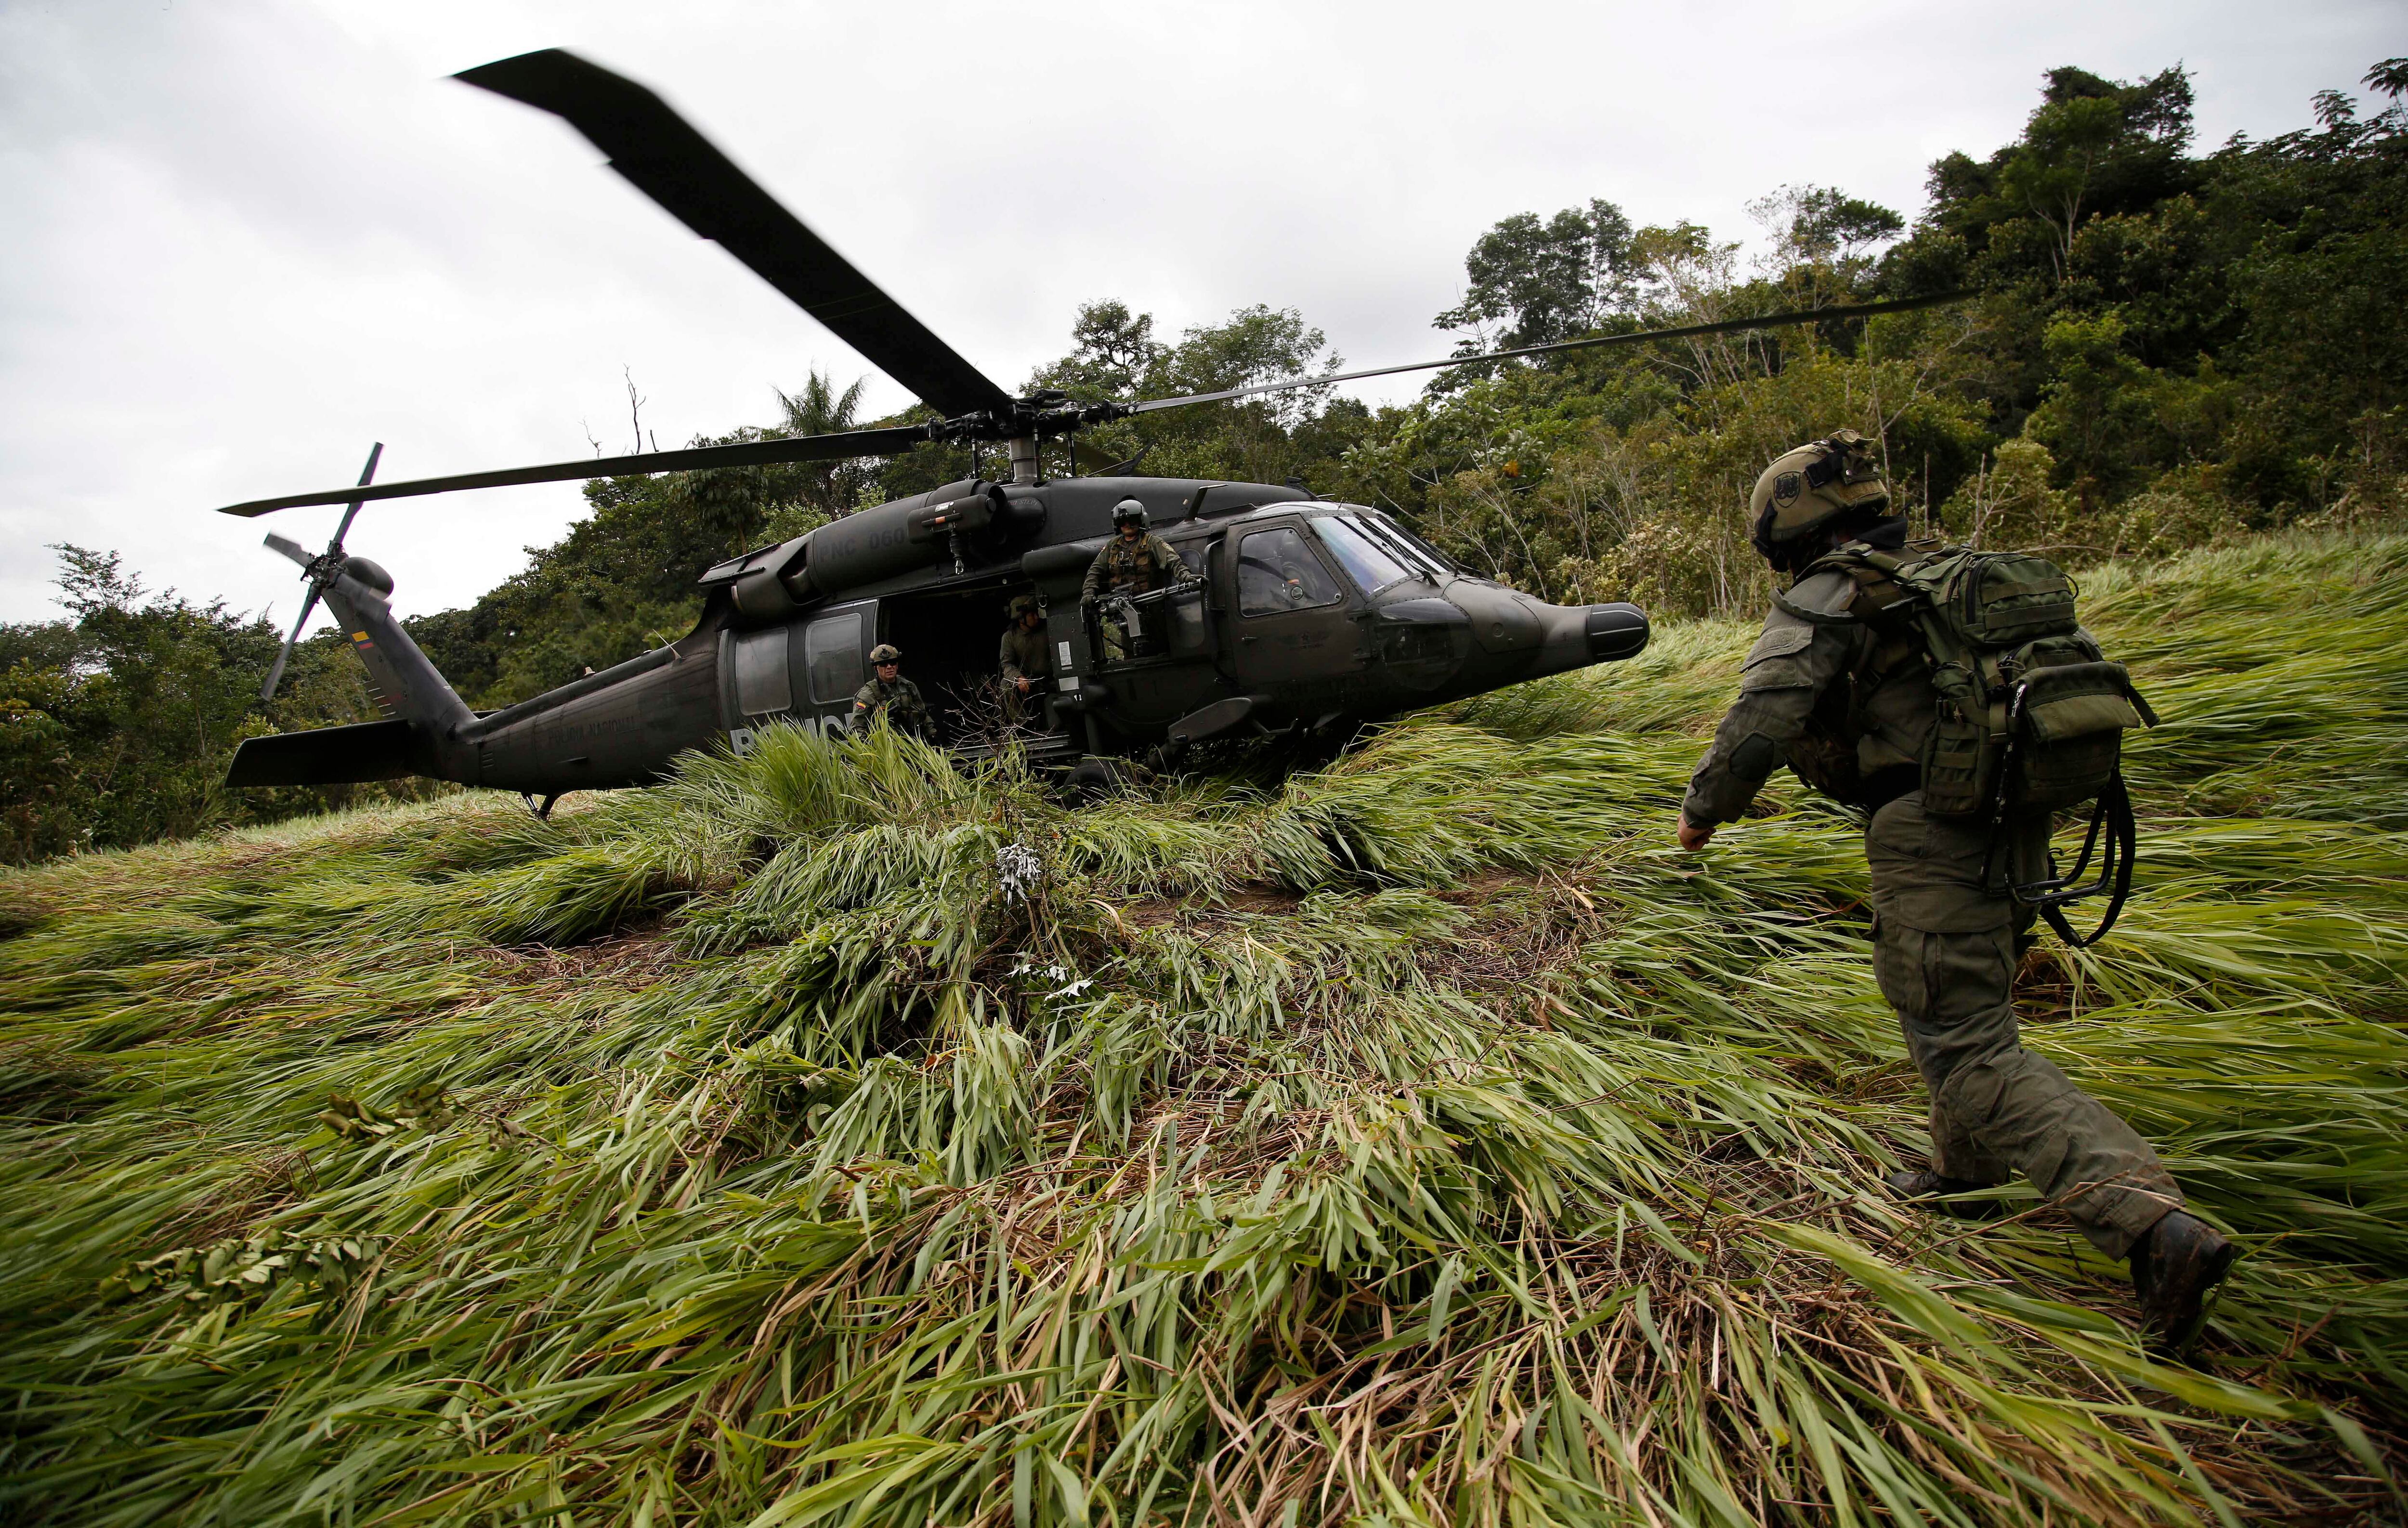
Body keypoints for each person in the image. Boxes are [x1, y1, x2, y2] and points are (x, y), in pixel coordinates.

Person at [1675, 428, 2237, 1354]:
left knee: (1962, 1036)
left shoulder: (1838, 594)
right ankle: (1962, 1173)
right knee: (1965, 1007)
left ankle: (2152, 1227)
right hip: (2015, 814)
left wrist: (1703, 813)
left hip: (1932, 827)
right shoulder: (1950, 578)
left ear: (1788, 527)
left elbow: (1759, 721)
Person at [1082, 499, 1185, 660]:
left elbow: (1173, 561)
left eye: (1132, 521)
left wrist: (1186, 577)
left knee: (1162, 653)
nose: (1128, 525)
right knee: (1131, 656)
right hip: (1124, 611)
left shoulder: (1152, 542)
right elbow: (1095, 571)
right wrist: (1089, 592)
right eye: (1123, 522)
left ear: (1142, 520)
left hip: (1152, 609)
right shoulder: (1112, 546)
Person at [849, 643, 931, 740]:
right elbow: (857, 727)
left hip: (914, 743)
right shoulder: (868, 694)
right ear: (876, 668)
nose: (889, 667)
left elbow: (923, 714)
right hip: (888, 749)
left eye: (893, 662)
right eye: (884, 664)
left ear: (897, 665)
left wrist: (932, 735)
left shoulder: (908, 686)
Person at [998, 594, 1049, 725]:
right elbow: (1007, 664)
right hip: (1028, 684)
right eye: (1032, 615)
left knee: (1056, 724)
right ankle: (1023, 725)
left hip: (1051, 684)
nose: (1036, 617)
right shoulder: (1009, 637)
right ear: (1021, 619)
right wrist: (1019, 678)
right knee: (1006, 684)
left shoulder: (1048, 629)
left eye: (1036, 613)